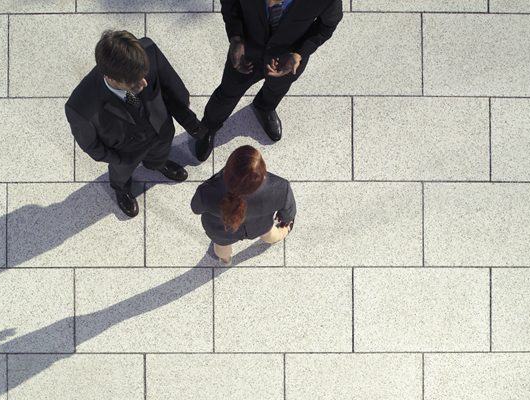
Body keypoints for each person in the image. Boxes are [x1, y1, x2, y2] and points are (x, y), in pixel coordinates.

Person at [66, 30, 202, 218]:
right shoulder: (81, 106)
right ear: (111, 77)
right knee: (121, 174)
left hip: (159, 128)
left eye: (143, 75)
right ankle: (121, 189)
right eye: (133, 82)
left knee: (160, 154)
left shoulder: (148, 51)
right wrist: (120, 159)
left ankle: (158, 164)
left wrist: (190, 122)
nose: (144, 83)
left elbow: (174, 90)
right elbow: (91, 146)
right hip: (125, 152)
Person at [192, 0, 343, 161]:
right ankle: (209, 126)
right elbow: (230, 3)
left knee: (276, 90)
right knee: (228, 93)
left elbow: (327, 25)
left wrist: (299, 53)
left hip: (287, 59)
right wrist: (236, 37)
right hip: (247, 50)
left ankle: (264, 106)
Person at [191, 145, 296, 265]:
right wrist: (285, 220)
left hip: (220, 230)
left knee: (222, 249)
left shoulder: (207, 191)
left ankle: (226, 261)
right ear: (262, 173)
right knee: (270, 235)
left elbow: (196, 208)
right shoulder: (279, 187)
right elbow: (288, 211)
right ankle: (284, 231)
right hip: (259, 225)